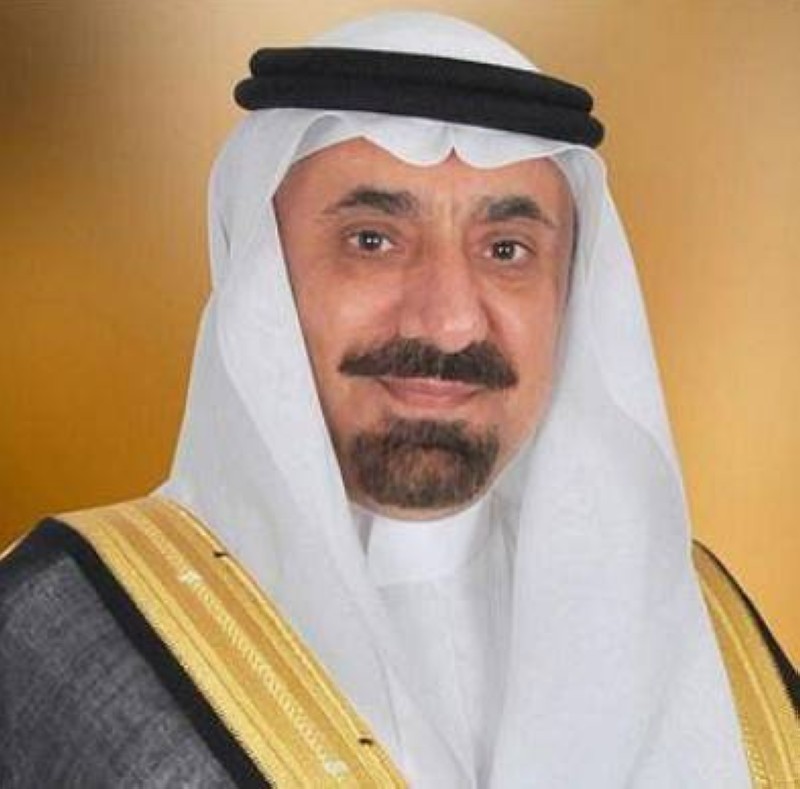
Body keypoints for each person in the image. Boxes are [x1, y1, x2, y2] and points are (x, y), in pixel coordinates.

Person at [0, 11, 796, 789]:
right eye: (372, 240)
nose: (449, 321)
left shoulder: (710, 640)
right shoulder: (59, 634)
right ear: (260, 277)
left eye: (507, 250)